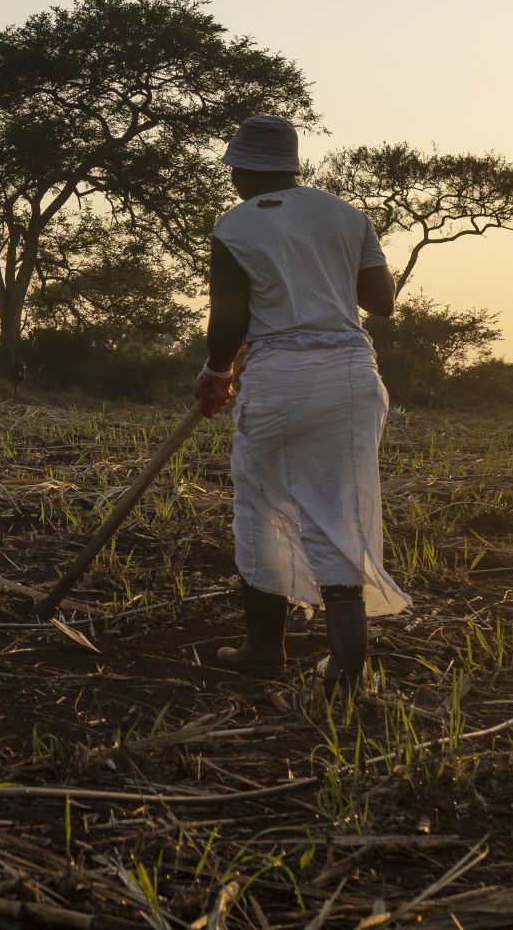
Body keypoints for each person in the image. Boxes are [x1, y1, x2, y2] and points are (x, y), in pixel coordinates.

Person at [191, 115, 409, 695]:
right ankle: (345, 668)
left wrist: (216, 373)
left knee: (260, 502)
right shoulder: (346, 215)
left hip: (280, 375)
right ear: (291, 166)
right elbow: (381, 301)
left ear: (242, 169)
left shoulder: (233, 227)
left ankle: (264, 648)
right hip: (351, 375)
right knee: (344, 509)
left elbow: (230, 322)